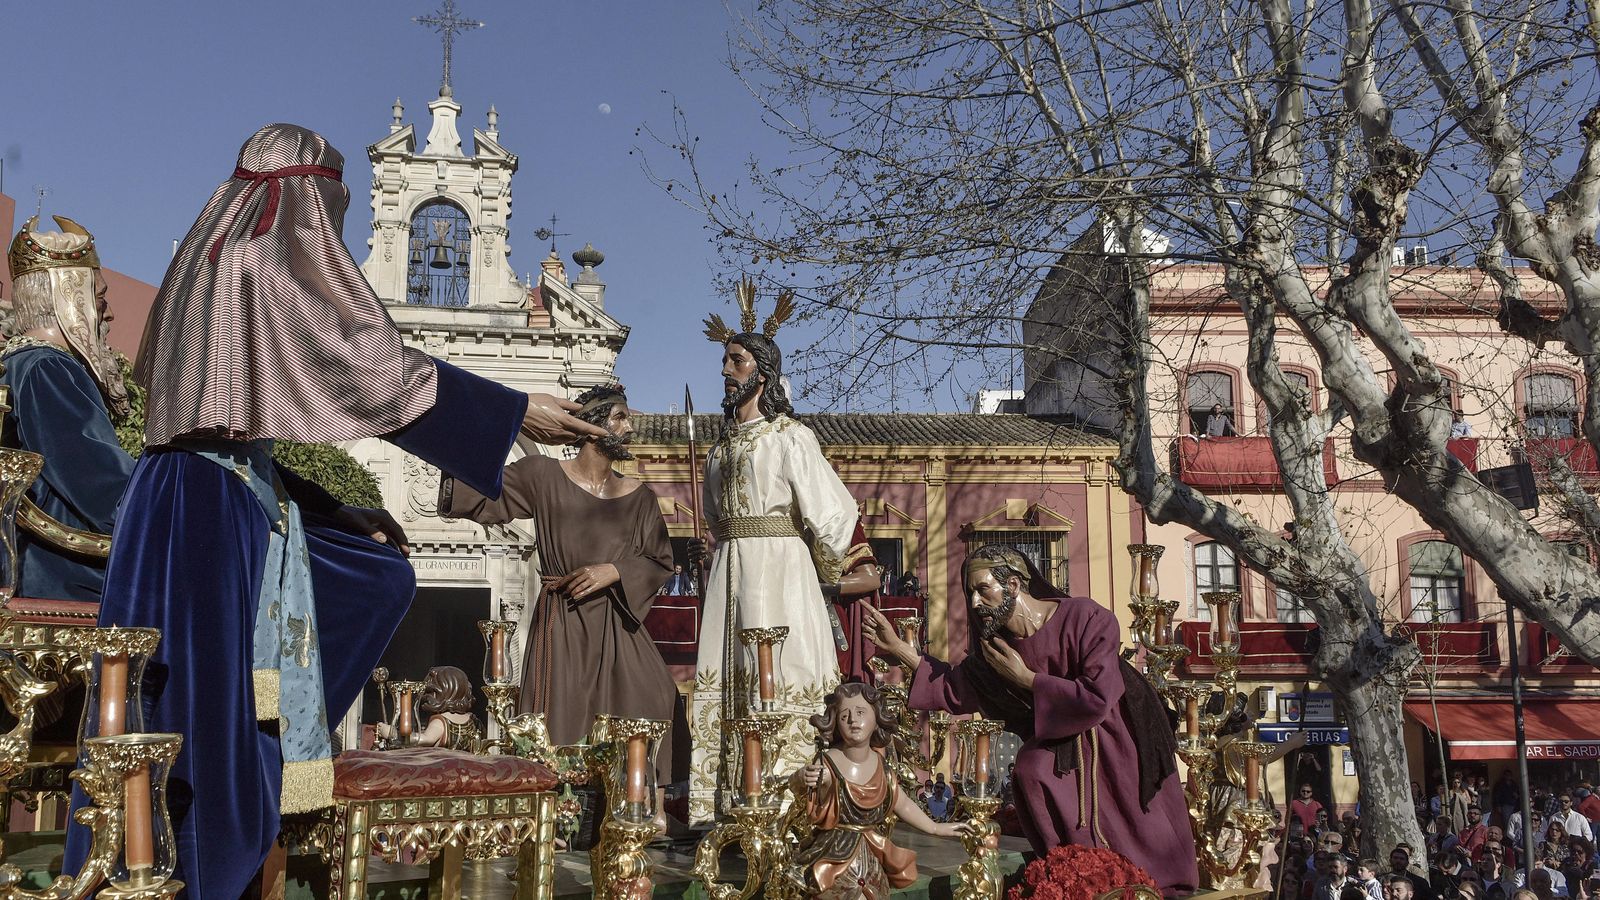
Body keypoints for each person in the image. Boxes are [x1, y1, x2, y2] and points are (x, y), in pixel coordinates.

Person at [63, 124, 609, 898]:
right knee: (198, 719)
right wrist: (514, 411)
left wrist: (330, 506)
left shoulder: (211, 254)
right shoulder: (255, 256)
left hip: (220, 490)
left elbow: (235, 422)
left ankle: (282, 771)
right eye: (327, 204)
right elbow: (356, 366)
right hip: (206, 512)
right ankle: (212, 850)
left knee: (375, 575)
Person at [863, 543, 1198, 895]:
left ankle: (1150, 884)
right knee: (1032, 768)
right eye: (970, 593)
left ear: (1014, 585)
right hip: (1059, 740)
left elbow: (1098, 696)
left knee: (1138, 824)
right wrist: (900, 649)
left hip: (1114, 735)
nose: (975, 602)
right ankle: (1073, 873)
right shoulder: (997, 647)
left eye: (982, 589)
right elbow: (957, 686)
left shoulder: (1084, 617)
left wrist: (1027, 680)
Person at [438, 383, 678, 827]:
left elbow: (660, 560)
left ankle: (642, 804)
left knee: (656, 691)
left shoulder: (640, 497)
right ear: (591, 426)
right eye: (620, 417)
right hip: (563, 618)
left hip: (618, 619)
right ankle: (559, 816)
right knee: (560, 720)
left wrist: (616, 571)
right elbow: (474, 495)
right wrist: (493, 422)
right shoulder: (543, 476)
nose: (630, 426)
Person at [688, 290, 860, 823]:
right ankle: (732, 804)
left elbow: (834, 511)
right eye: (723, 361)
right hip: (730, 573)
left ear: (762, 373)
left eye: (735, 361)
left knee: (781, 671)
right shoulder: (718, 448)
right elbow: (716, 517)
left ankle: (791, 801)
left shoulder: (791, 437)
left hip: (782, 569)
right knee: (730, 676)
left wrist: (826, 575)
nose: (725, 371)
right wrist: (711, 549)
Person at [1, 214, 134, 602]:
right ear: (69, 298)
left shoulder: (20, 364)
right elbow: (97, 482)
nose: (108, 315)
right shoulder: (48, 367)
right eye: (100, 298)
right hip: (67, 576)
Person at [789, 682, 965, 897]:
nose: (853, 720)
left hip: (871, 857)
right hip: (833, 856)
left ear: (876, 719)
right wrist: (802, 778)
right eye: (845, 715)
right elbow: (799, 788)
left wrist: (936, 828)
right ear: (835, 722)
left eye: (861, 712)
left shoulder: (882, 767)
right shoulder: (827, 763)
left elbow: (902, 803)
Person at [376, 665, 481, 751]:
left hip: (443, 770)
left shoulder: (440, 721)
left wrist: (392, 733)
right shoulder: (473, 720)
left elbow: (425, 739)